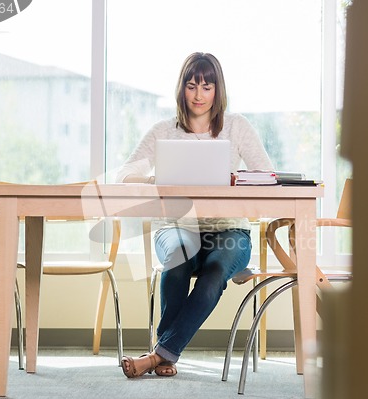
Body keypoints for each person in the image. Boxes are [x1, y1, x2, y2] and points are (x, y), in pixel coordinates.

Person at [117, 52, 274, 378]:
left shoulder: (237, 126)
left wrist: (237, 180)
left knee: (213, 275)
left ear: (218, 90)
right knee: (177, 257)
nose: (199, 95)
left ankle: (157, 355)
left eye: (207, 87)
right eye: (191, 86)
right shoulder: (164, 130)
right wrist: (155, 180)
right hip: (176, 227)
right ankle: (166, 356)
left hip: (230, 231)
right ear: (182, 89)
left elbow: (267, 176)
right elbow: (124, 176)